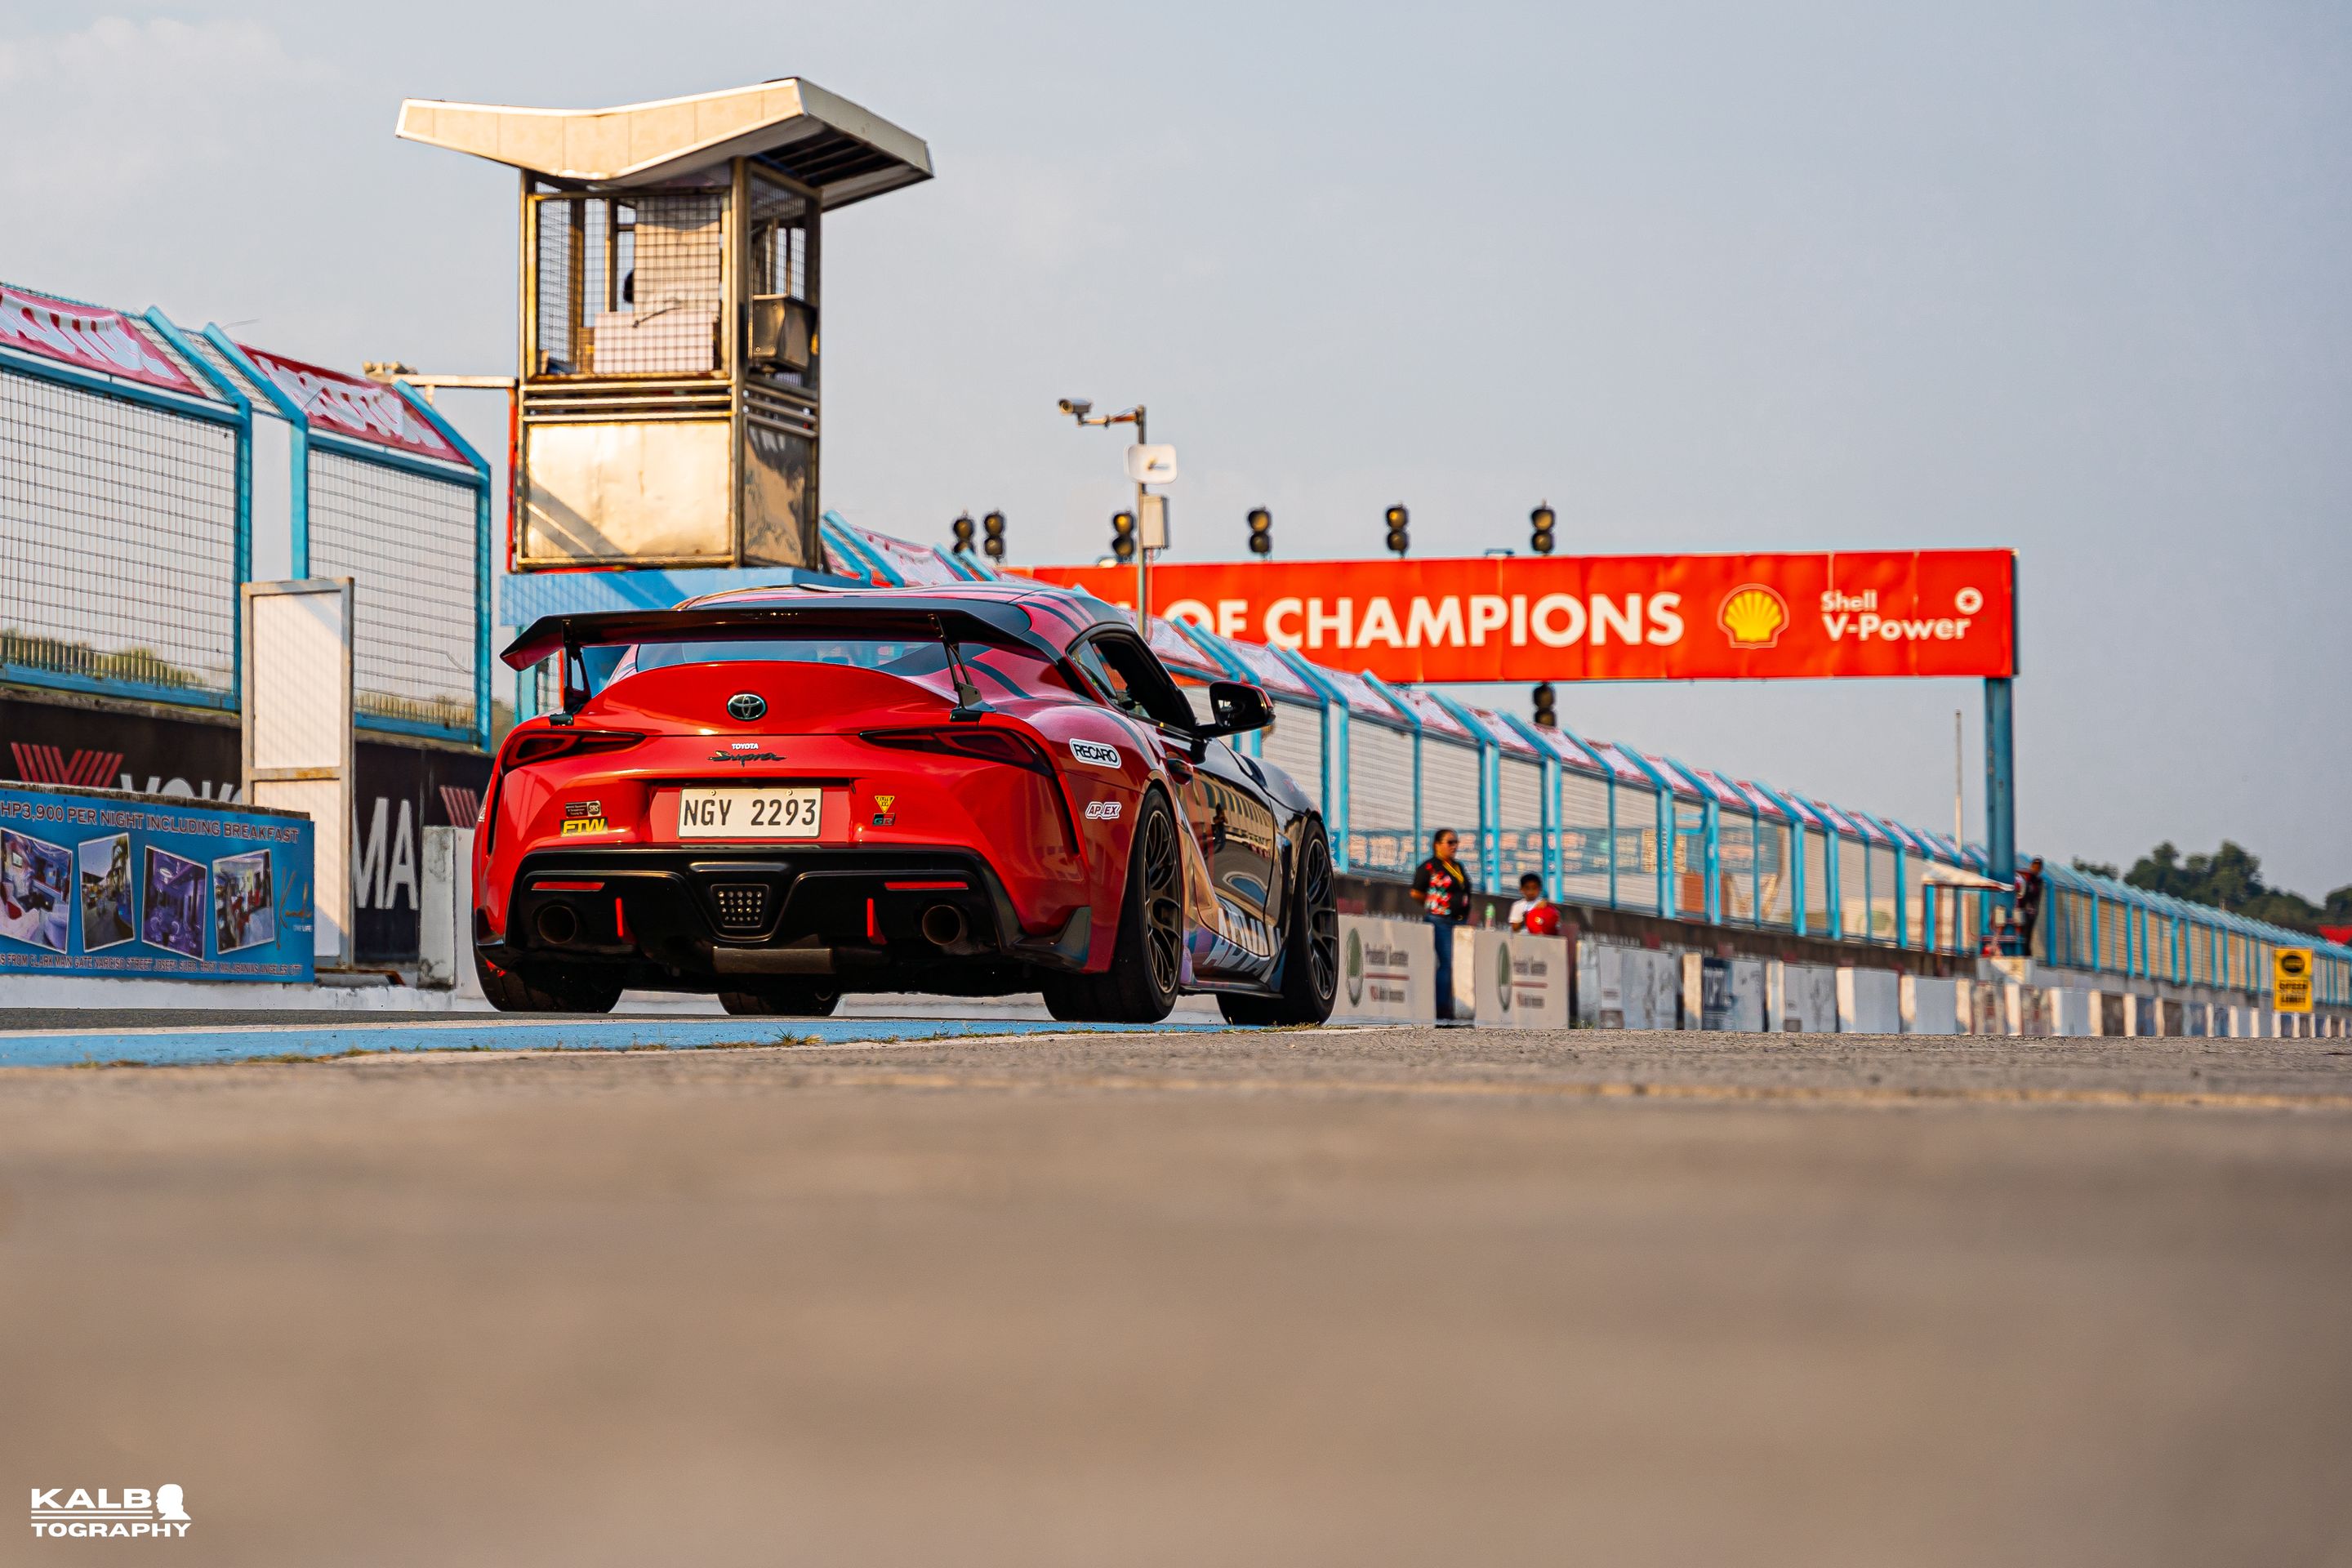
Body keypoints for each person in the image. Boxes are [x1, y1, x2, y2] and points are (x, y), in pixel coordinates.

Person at [1411, 829, 1472, 1021]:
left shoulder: (1458, 866)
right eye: (1450, 842)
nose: (1454, 846)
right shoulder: (1429, 867)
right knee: (1446, 963)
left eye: (1456, 842)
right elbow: (1416, 892)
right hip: (1440, 920)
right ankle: (1442, 1007)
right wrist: (1435, 905)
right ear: (1437, 844)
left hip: (1458, 921)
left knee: (1457, 964)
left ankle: (1455, 1005)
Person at [2014, 856, 2046, 956]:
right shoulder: (2026, 878)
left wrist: (2032, 908)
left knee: (2027, 934)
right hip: (2021, 909)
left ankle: (2026, 954)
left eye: (2038, 868)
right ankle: (2020, 952)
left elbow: (2035, 897)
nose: (2035, 869)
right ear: (2031, 866)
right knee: (2019, 931)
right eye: (2034, 867)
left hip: (2030, 912)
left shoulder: (2038, 881)